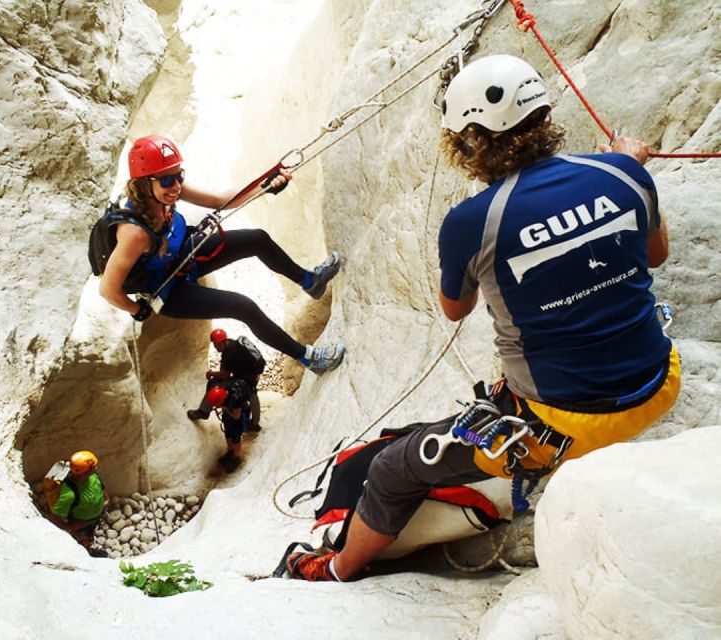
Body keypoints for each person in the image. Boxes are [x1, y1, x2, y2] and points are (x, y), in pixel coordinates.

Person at [286, 54, 680, 581]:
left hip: (564, 423)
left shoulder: (472, 221)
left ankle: (337, 567)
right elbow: (655, 254)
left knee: (392, 467)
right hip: (659, 381)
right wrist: (627, 169)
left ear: (470, 139)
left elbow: (455, 309)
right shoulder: (625, 172)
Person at [98, 134, 345, 375]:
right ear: (144, 183)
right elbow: (108, 289)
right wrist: (135, 309)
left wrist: (264, 186)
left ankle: (310, 281)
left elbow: (219, 199)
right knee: (244, 307)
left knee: (256, 239)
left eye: (178, 176)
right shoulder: (134, 234)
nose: (175, 185)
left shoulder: (166, 191)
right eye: (165, 180)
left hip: (183, 257)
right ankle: (309, 358)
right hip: (168, 291)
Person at [187, 327, 264, 424]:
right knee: (252, 394)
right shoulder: (231, 343)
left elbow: (225, 375)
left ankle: (204, 411)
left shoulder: (231, 354)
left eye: (217, 345)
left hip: (245, 380)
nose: (216, 347)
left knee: (214, 385)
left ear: (224, 342)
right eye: (215, 345)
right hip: (252, 376)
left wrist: (211, 373)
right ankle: (255, 423)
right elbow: (224, 366)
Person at [48, 450, 109, 557]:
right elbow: (54, 519)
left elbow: (100, 486)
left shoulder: (92, 476)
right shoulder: (69, 494)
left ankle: (88, 546)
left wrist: (105, 499)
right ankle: (86, 554)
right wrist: (71, 526)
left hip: (93, 519)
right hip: (82, 524)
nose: (95, 469)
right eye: (92, 468)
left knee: (89, 535)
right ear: (83, 473)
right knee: (82, 539)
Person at [206, 380, 254, 473]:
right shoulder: (224, 392)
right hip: (229, 410)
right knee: (228, 432)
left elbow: (236, 416)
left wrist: (224, 408)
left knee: (235, 436)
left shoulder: (235, 398)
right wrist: (225, 409)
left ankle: (237, 457)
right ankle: (230, 452)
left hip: (238, 414)